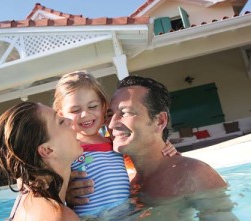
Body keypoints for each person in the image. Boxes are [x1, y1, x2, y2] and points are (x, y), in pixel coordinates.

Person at [67, 75, 226, 203]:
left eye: (126, 112)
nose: (112, 123)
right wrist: (66, 195)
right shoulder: (125, 185)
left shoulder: (193, 175)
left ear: (159, 121)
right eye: (109, 115)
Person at [53, 71, 176, 215]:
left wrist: (167, 147)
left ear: (103, 106)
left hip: (126, 219)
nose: (85, 114)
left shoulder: (114, 143)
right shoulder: (66, 147)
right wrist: (65, 191)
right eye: (75, 110)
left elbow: (141, 158)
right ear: (61, 114)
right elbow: (43, 182)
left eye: (92, 106)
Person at [0, 101, 82, 221]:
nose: (70, 120)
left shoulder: (26, 191)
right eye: (60, 122)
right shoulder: (57, 218)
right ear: (47, 150)